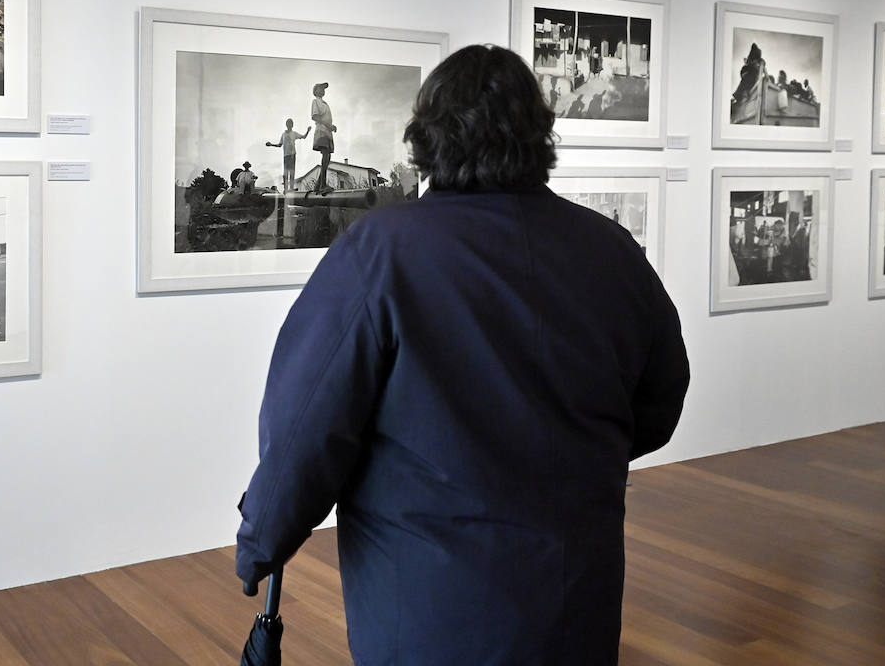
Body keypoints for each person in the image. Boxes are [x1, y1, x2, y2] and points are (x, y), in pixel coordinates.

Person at [235, 44, 690, 665]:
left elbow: (307, 422)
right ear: (539, 134)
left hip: (428, 605)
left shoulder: (381, 251)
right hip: (573, 595)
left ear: (426, 139)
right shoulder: (608, 248)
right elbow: (659, 402)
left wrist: (261, 539)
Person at [266, 118, 310, 192]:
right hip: (286, 155)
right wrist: (271, 144)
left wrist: (308, 131)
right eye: (288, 123)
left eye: (291, 123)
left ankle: (291, 188)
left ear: (292, 125)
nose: (289, 125)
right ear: (286, 125)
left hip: (292, 155)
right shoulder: (283, 134)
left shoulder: (294, 133)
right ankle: (285, 188)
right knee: (285, 173)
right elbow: (279, 145)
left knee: (292, 172)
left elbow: (304, 137)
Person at [309, 82, 336, 194]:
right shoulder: (316, 101)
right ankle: (322, 185)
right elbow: (315, 116)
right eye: (321, 88)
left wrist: (332, 126)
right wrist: (328, 125)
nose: (323, 90)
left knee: (327, 158)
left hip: (328, 132)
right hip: (321, 131)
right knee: (325, 156)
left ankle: (318, 186)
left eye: (324, 89)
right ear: (316, 91)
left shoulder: (325, 103)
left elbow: (327, 119)